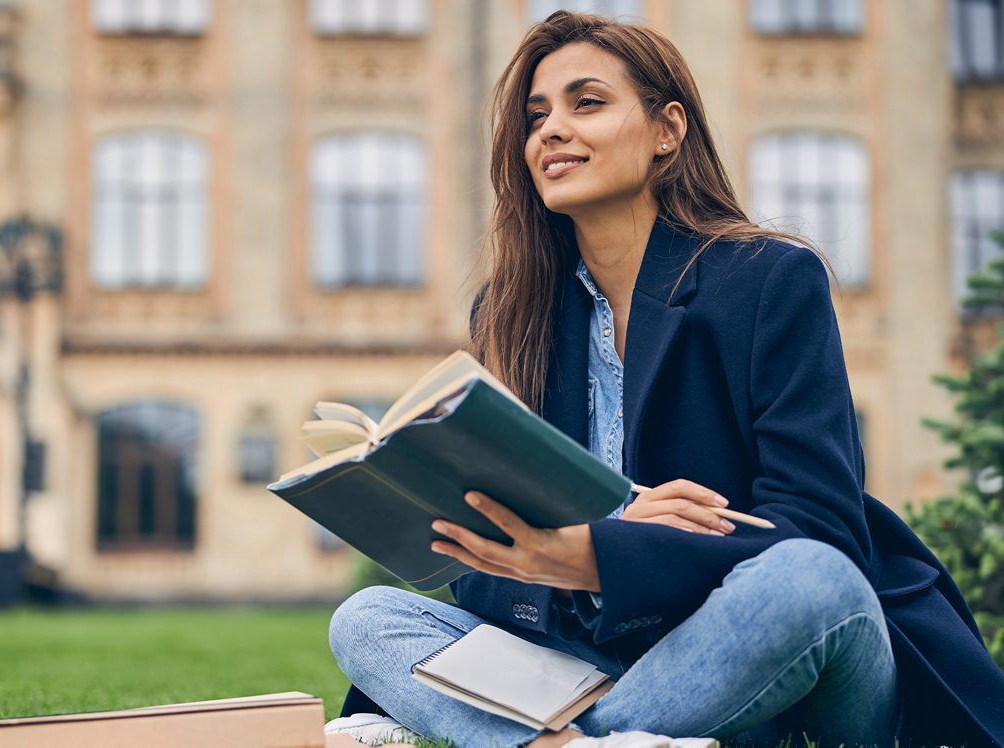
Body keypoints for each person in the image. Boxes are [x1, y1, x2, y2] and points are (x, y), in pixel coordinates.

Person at [325, 11, 1004, 748]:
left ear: (666, 130)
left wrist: (598, 555)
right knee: (366, 619)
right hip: (595, 658)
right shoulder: (510, 312)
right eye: (536, 115)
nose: (551, 129)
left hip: (767, 650)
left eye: (586, 103)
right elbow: (480, 561)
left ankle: (551, 735)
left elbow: (821, 528)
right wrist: (588, 545)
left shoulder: (769, 280)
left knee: (812, 579)